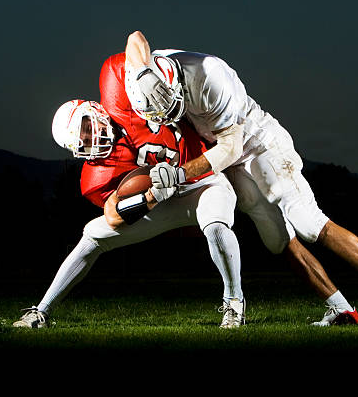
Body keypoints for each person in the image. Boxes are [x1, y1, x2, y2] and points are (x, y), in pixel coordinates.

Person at [120, 30, 358, 325]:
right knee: (278, 239)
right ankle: (341, 308)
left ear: (177, 86)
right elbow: (136, 38)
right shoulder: (146, 72)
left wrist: (180, 173)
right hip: (229, 156)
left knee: (309, 221)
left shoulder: (212, 77)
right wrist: (143, 71)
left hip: (257, 143)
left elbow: (230, 146)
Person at [13, 99, 246, 329]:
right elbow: (114, 217)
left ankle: (234, 302)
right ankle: (41, 311)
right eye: (82, 141)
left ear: (93, 110)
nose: (90, 138)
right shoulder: (98, 172)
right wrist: (152, 197)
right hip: (161, 201)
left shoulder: (131, 103)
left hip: (203, 183)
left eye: (85, 128)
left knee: (216, 224)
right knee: (93, 235)